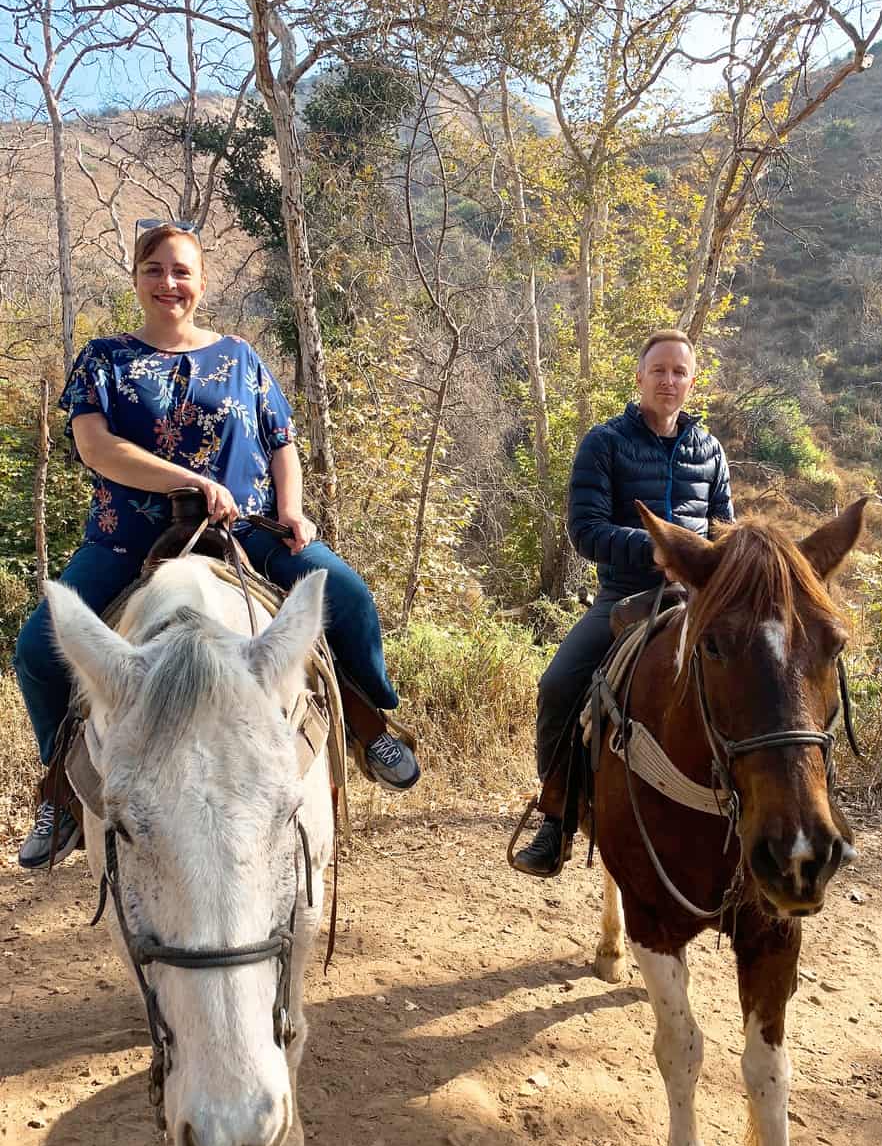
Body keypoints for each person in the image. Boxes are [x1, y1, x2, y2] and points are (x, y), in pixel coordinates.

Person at [14, 220, 418, 870]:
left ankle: (372, 727)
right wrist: (193, 481)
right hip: (129, 541)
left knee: (346, 594)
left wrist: (292, 510)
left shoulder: (239, 356)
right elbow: (97, 447)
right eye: (155, 269)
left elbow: (280, 440)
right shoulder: (103, 360)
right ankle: (61, 791)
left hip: (245, 533)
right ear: (136, 279)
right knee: (35, 649)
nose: (168, 283)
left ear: (201, 280)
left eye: (181, 271)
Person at [511, 328, 733, 877]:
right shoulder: (604, 442)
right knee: (558, 685)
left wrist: (717, 555)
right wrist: (653, 546)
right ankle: (557, 819)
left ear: (692, 381)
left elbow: (726, 525)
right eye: (659, 370)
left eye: (680, 371)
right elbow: (584, 531)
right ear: (639, 377)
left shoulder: (710, 449)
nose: (669, 380)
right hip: (625, 595)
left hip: (698, 596)